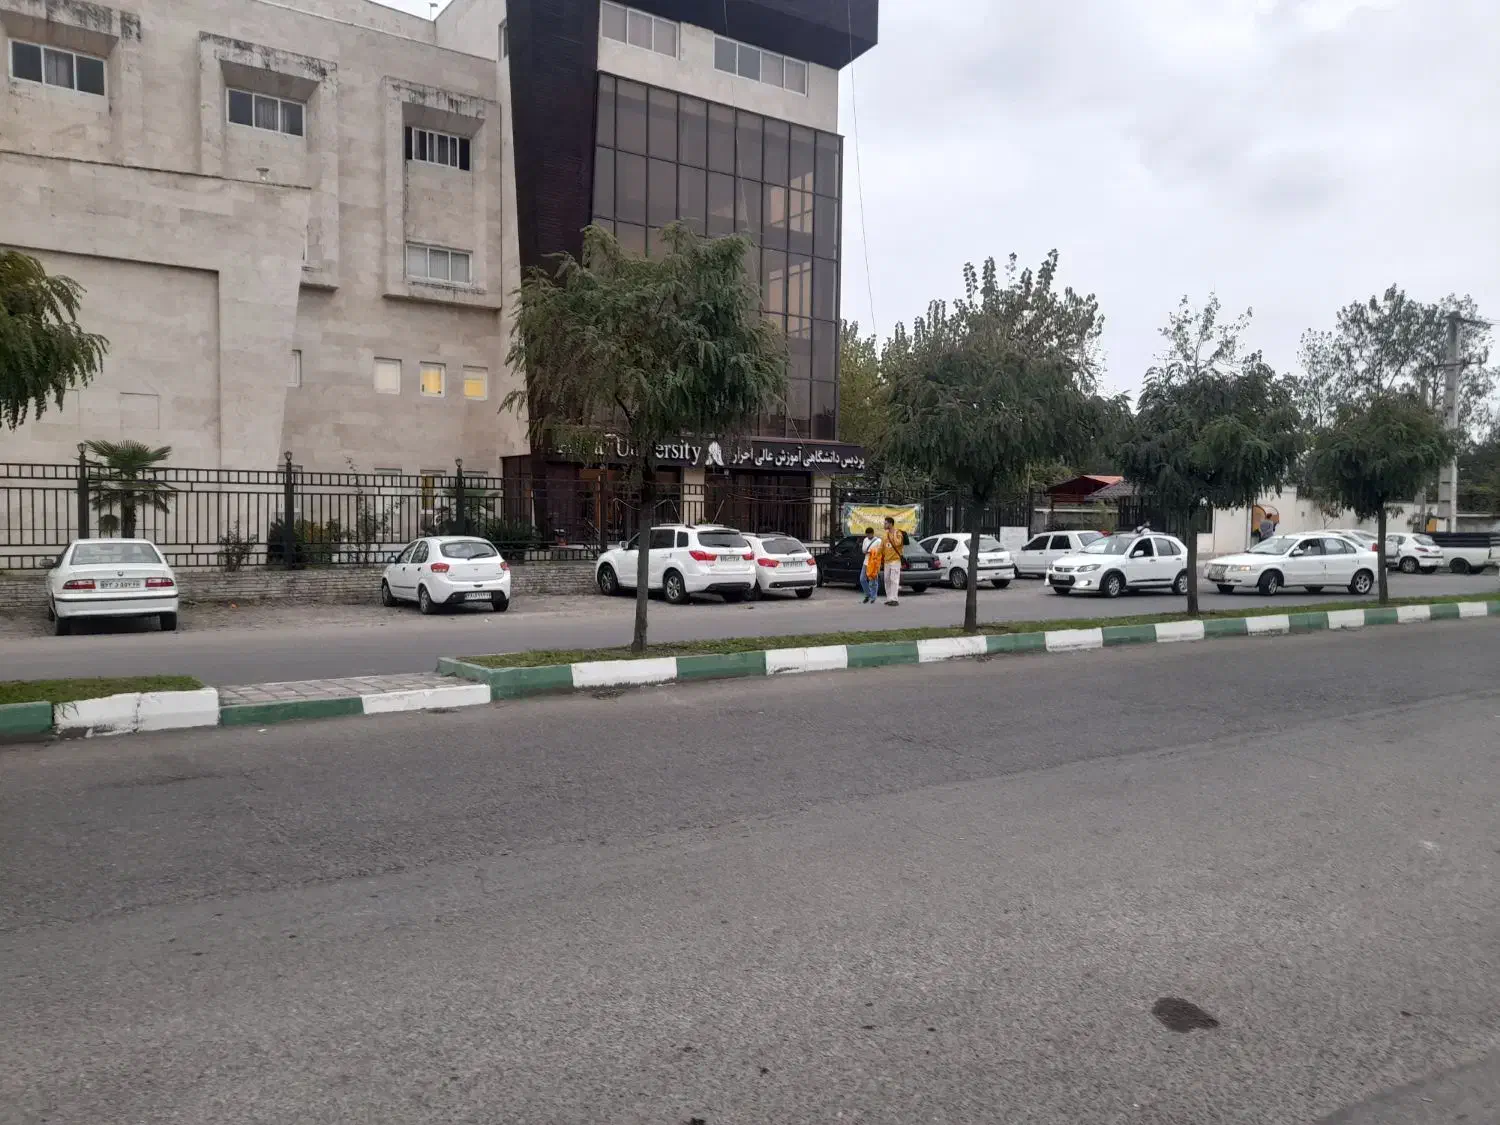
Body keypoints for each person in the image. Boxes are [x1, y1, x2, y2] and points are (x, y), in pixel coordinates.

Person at [880, 516, 905, 606]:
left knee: (894, 580)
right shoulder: (885, 535)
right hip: (887, 561)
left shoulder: (898, 533)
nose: (884, 525)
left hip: (895, 560)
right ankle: (889, 598)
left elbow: (898, 543)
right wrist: (878, 558)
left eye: (886, 523)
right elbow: (881, 548)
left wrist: (893, 533)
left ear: (890, 524)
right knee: (887, 580)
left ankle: (894, 599)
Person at [860, 532, 881, 603]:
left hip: (874, 563)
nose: (868, 535)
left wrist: (872, 551)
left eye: (869, 534)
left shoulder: (878, 541)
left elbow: (880, 552)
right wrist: (867, 551)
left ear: (872, 534)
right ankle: (868, 594)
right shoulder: (865, 540)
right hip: (866, 562)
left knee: (873, 581)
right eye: (867, 534)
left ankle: (873, 597)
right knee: (862, 579)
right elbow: (863, 550)